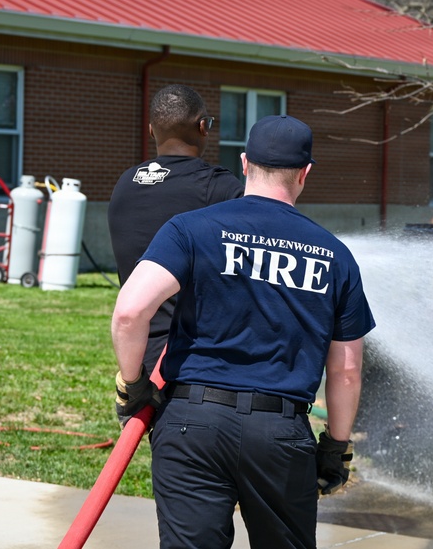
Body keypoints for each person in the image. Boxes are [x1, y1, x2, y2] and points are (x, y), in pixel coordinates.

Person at [110, 114, 376, 549]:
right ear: (306, 173)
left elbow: (130, 312)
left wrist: (134, 385)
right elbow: (346, 370)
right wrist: (336, 446)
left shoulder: (191, 228)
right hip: (280, 434)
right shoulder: (335, 255)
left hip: (190, 426)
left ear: (245, 163)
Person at [107, 84, 244, 376]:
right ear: (204, 127)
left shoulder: (125, 184)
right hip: (193, 361)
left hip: (136, 358)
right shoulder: (219, 187)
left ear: (151, 131)